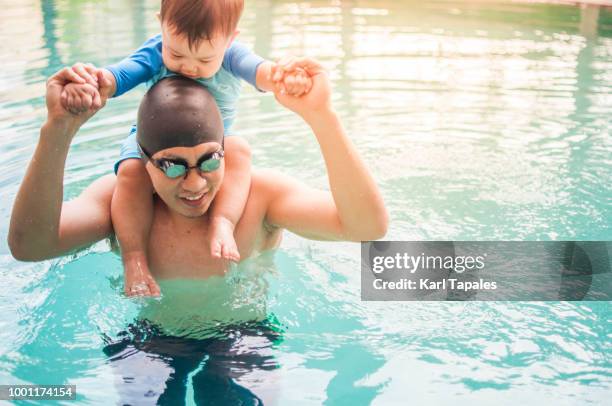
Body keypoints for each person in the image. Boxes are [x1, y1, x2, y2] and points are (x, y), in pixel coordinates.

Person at [8, 59, 388, 287]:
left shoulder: (260, 197)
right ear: (144, 159)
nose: (194, 184)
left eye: (209, 161)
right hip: (149, 340)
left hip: (243, 337)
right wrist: (57, 130)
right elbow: (29, 248)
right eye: (171, 166)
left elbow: (366, 228)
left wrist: (322, 118)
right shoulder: (121, 202)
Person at [60, 0, 312, 296]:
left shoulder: (232, 53)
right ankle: (134, 258)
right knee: (130, 170)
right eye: (176, 53)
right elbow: (120, 75)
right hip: (156, 143)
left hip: (214, 141)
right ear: (161, 26)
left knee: (239, 150)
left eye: (205, 60)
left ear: (230, 38)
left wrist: (287, 77)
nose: (189, 67)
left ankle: (222, 222)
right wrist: (92, 82)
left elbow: (262, 72)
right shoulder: (155, 50)